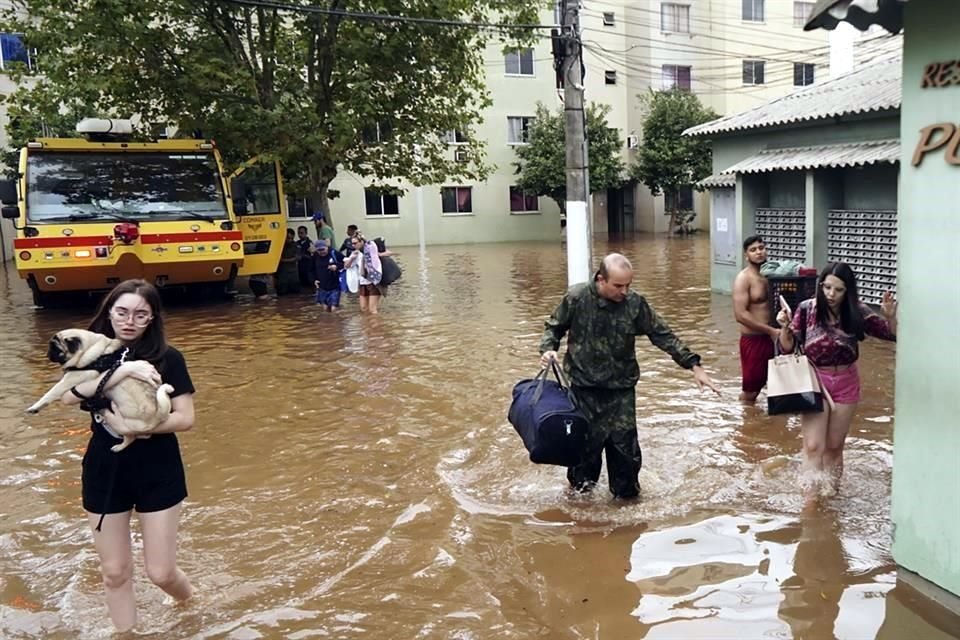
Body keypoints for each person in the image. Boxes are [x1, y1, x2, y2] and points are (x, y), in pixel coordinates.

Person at [59, 279, 195, 632]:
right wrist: (121, 371)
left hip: (158, 468)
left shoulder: (169, 358)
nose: (129, 320)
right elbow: (67, 397)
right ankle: (127, 635)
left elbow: (185, 418)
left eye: (140, 314)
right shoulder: (88, 355)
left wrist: (138, 428)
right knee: (114, 571)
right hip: (105, 469)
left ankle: (192, 605)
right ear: (109, 312)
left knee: (161, 572)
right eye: (121, 312)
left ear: (152, 318)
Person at [539, 253, 720, 499]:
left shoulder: (635, 304)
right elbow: (554, 327)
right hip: (583, 391)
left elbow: (662, 334)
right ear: (600, 280)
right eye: (618, 286)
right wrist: (549, 349)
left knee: (626, 458)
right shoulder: (577, 298)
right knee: (583, 461)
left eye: (628, 285)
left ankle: (627, 517)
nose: (624, 291)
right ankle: (581, 519)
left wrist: (693, 365)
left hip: (621, 394)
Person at [776, 262, 896, 501]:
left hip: (846, 382)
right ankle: (810, 505)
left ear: (847, 291)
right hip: (813, 380)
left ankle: (831, 497)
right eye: (827, 287)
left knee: (833, 447)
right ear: (820, 286)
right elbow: (786, 349)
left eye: (838, 290)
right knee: (812, 447)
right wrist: (784, 329)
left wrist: (890, 317)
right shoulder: (806, 309)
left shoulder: (857, 312)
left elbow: (892, 335)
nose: (830, 294)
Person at [732, 235, 780, 403]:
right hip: (754, 340)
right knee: (751, 392)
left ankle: (770, 426)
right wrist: (770, 331)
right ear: (747, 255)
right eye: (753, 250)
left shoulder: (773, 275)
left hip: (776, 338)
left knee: (780, 387)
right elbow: (740, 315)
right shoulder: (743, 279)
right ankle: (746, 422)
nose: (759, 252)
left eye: (761, 248)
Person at [344, 231, 383, 314]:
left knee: (372, 309)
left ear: (361, 241)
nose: (353, 245)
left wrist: (380, 254)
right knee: (363, 308)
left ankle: (376, 325)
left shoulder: (371, 248)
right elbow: (346, 266)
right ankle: (367, 326)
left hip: (373, 281)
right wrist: (351, 258)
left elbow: (387, 252)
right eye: (352, 244)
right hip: (362, 282)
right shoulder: (355, 253)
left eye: (355, 243)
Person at [312, 240, 343, 311]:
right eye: (319, 250)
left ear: (327, 247)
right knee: (324, 309)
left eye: (323, 249)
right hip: (322, 286)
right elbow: (311, 269)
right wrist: (314, 280)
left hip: (334, 286)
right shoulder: (315, 256)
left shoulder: (334, 253)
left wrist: (336, 267)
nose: (321, 252)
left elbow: (345, 263)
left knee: (333, 308)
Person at [275, 228, 300, 295]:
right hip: (282, 275)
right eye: (287, 238)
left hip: (293, 275)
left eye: (290, 238)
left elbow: (297, 257)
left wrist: (283, 260)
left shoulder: (296, 245)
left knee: (295, 295)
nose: (289, 240)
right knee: (282, 294)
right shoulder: (278, 245)